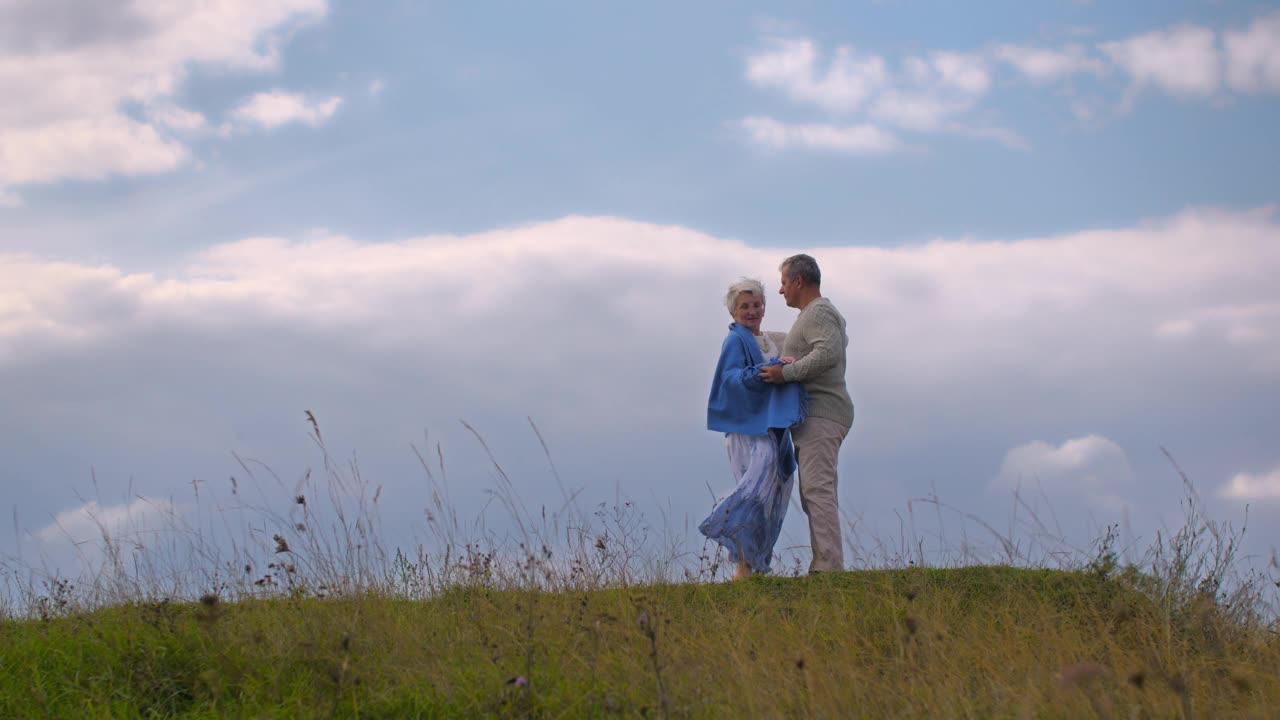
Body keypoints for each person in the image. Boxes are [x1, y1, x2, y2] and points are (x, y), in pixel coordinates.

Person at [701, 278, 807, 579]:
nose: (752, 311)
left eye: (757, 304)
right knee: (755, 491)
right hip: (748, 431)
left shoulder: (769, 340)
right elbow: (730, 378)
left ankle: (755, 567)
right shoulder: (736, 341)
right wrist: (764, 371)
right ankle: (740, 560)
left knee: (777, 493)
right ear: (733, 313)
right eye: (744, 306)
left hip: (773, 429)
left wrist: (783, 364)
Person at [758, 254, 853, 573]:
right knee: (812, 488)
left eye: (784, 283)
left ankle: (828, 567)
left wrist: (786, 374)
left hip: (823, 413)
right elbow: (797, 349)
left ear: (799, 281)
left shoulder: (820, 312)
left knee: (817, 488)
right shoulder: (811, 316)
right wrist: (754, 336)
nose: (781, 290)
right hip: (818, 415)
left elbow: (827, 353)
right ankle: (826, 564)